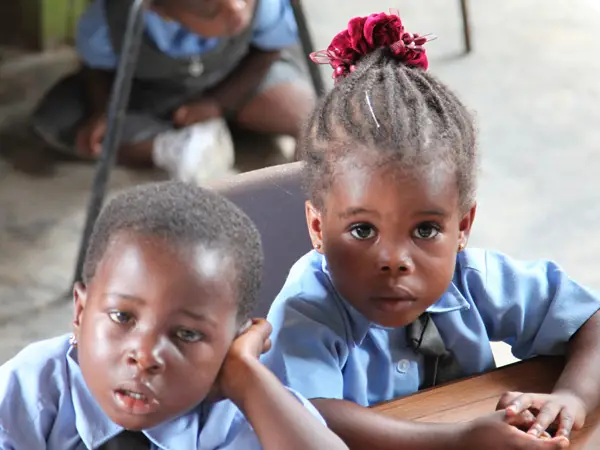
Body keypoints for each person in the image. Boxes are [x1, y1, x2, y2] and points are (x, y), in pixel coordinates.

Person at [262, 10, 600, 450]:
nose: (395, 260)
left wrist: (572, 398)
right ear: (318, 227)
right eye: (363, 230)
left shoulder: (472, 278)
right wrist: (458, 439)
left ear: (462, 228)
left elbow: (591, 322)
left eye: (424, 230)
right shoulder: (306, 311)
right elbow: (308, 419)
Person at [0, 182, 348, 450]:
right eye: (122, 316)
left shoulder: (239, 413)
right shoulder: (32, 387)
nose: (146, 355)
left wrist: (246, 377)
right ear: (80, 311)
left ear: (233, 343)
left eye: (187, 334)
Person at [31, 0, 315, 182]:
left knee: (313, 117)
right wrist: (104, 109)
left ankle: (228, 132)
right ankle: (175, 147)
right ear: (156, 8)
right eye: (209, 9)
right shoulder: (111, 20)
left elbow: (268, 51)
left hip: (238, 78)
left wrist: (218, 103)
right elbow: (98, 69)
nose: (237, 10)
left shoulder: (262, 6)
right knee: (63, 122)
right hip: (154, 93)